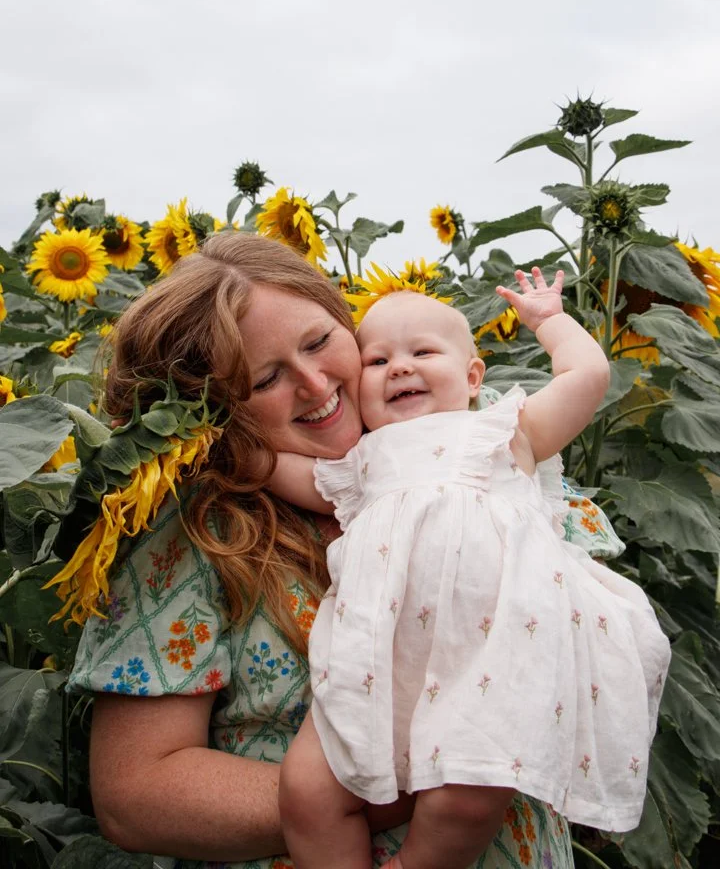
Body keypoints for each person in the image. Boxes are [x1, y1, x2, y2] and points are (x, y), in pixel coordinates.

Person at [60, 231, 619, 869]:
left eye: (321, 341)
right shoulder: (193, 531)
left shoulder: (482, 439)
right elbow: (138, 794)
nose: (314, 382)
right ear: (214, 412)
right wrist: (429, 775)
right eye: (264, 378)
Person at [270, 271, 671, 869]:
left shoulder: (507, 432)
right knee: (304, 792)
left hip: (495, 648)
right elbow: (283, 471)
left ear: (474, 376)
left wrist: (548, 321)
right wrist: (209, 440)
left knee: (466, 796)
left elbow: (587, 377)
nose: (399, 367)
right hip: (381, 652)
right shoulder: (363, 464)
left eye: (422, 352)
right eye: (377, 361)